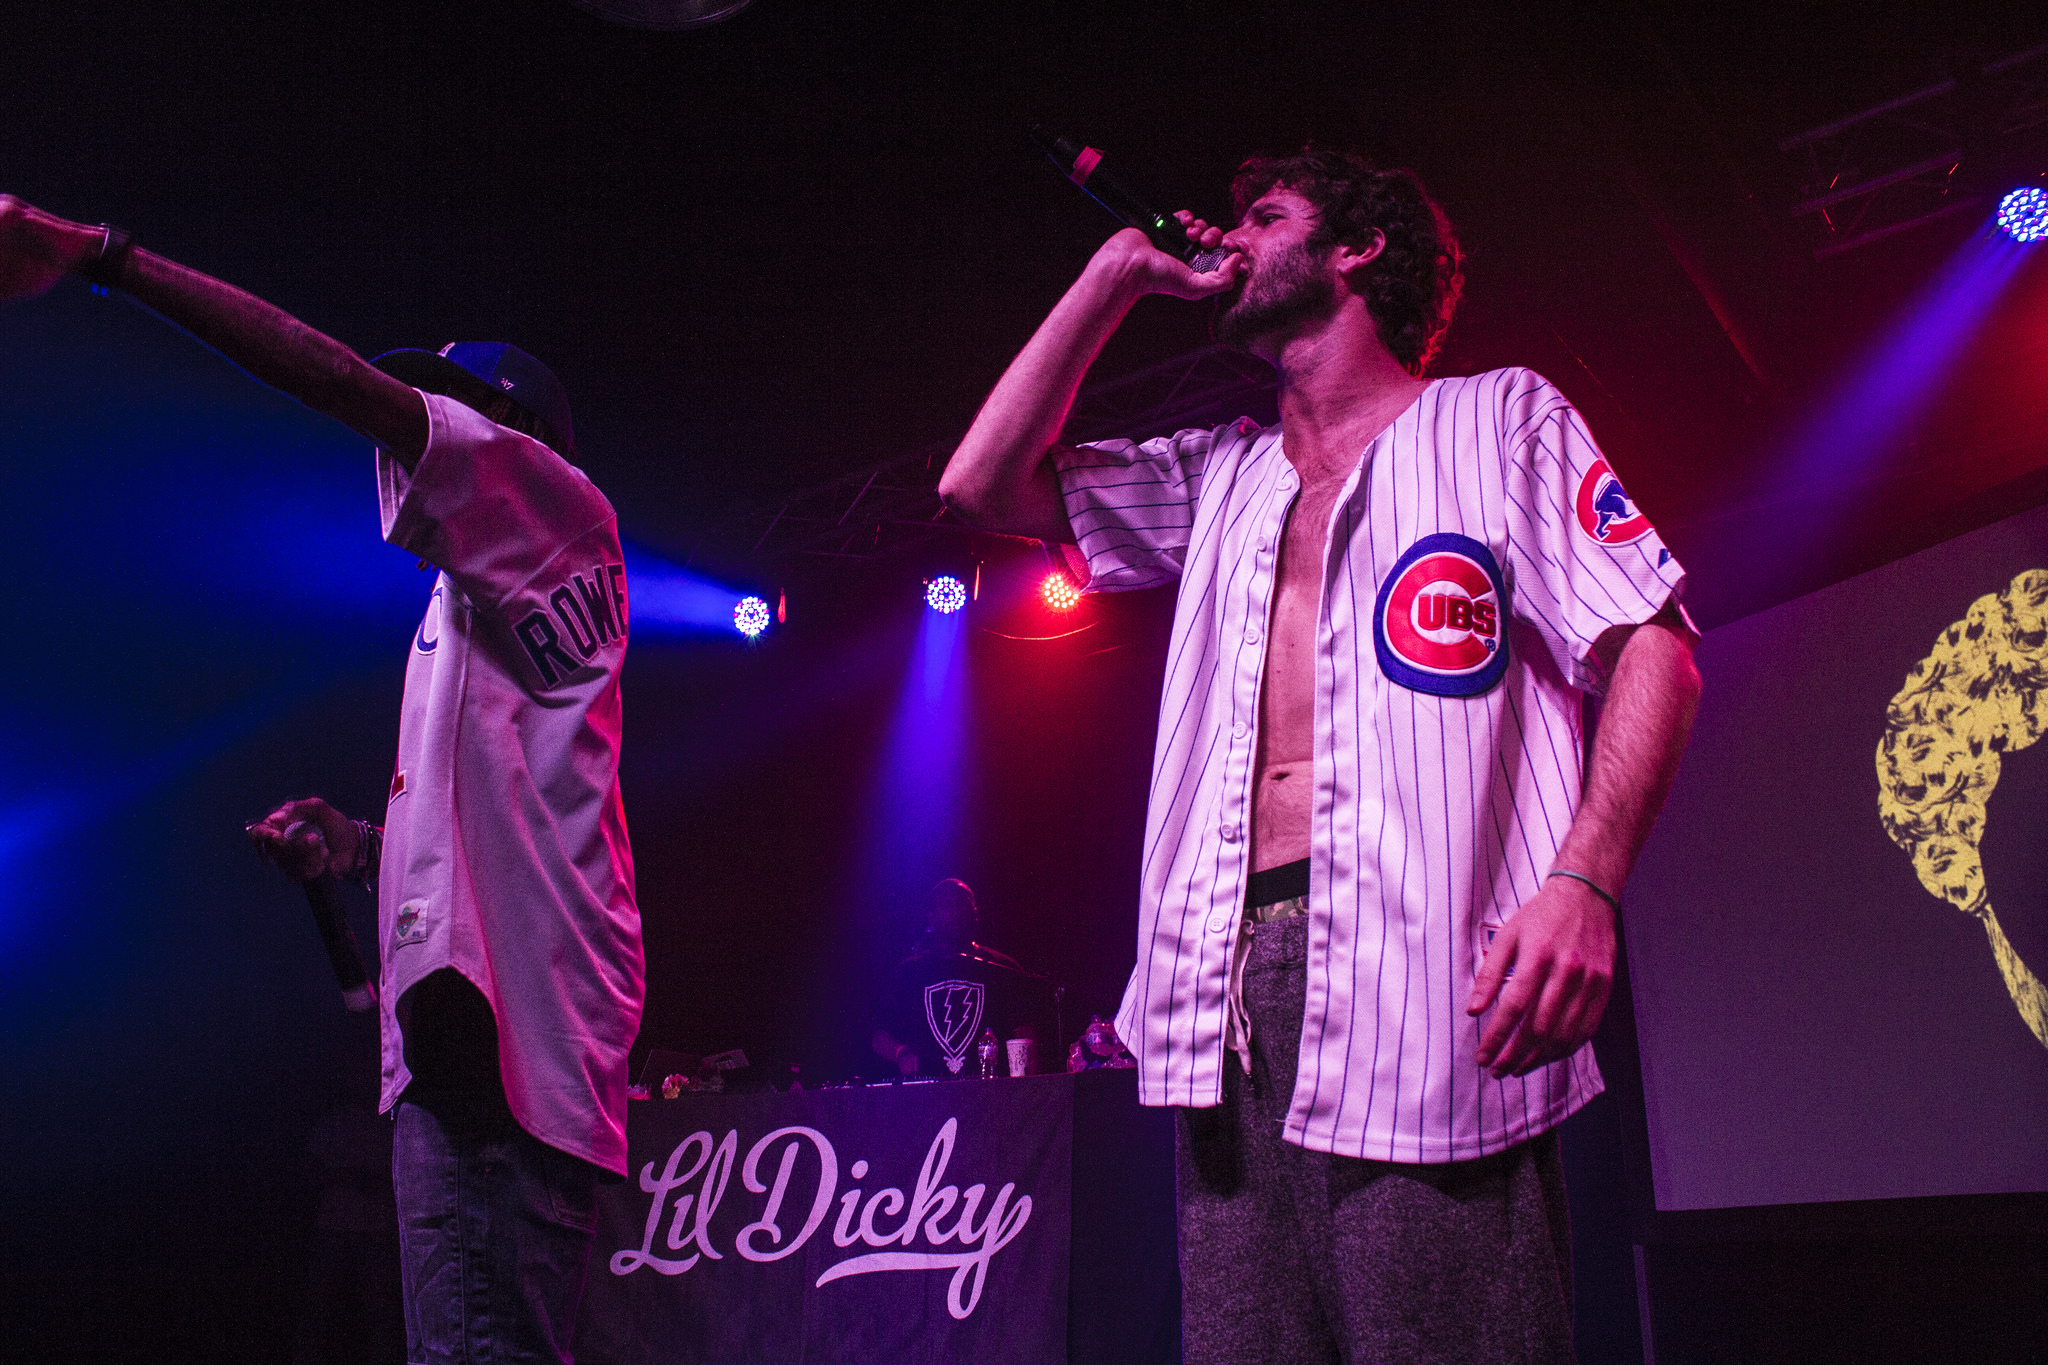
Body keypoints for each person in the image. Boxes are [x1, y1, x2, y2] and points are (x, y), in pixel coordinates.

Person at [939, 148, 1701, 1362]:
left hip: (1429, 980)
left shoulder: (1496, 417)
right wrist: (1113, 279)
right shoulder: (1220, 473)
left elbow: (1653, 648)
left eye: (1263, 216)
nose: (1227, 238)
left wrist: (1585, 880)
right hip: (1223, 987)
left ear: (1356, 248)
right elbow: (981, 485)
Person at [0, 197, 643, 1363]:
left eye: (442, 410)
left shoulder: (557, 508)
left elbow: (336, 382)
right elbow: (512, 829)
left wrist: (107, 259)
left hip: (496, 1061)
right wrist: (355, 848)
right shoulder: (478, 604)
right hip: (507, 1048)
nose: (407, 435)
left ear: (511, 439)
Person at [870, 879, 1056, 1078]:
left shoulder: (1001, 968)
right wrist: (900, 1053)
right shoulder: (910, 972)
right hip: (928, 1091)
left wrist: (1028, 1083)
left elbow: (1025, 1035)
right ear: (931, 916)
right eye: (947, 904)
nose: (956, 910)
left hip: (992, 1090)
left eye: (962, 903)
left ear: (974, 913)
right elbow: (879, 1037)